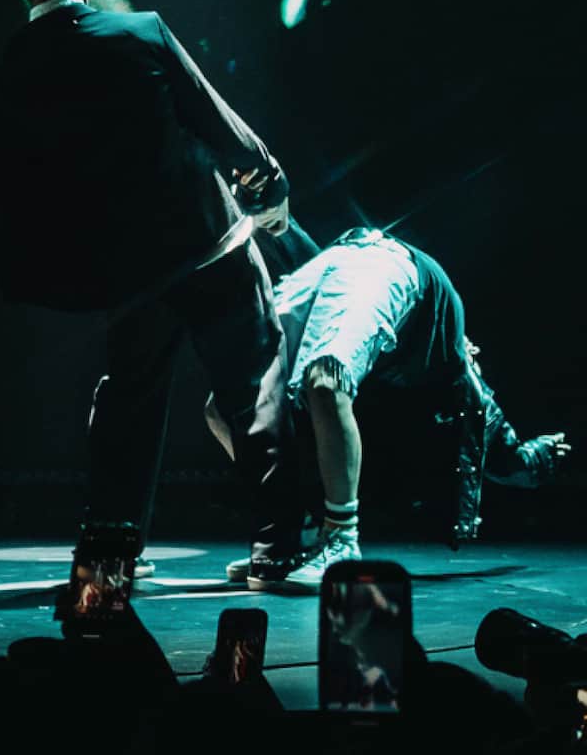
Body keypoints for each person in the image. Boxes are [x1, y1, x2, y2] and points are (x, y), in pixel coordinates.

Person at [0, 0, 300, 587]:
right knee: (252, 389)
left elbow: (16, 184)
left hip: (128, 271)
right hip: (210, 244)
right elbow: (210, 113)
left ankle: (109, 553)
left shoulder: (12, 65)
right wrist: (264, 172)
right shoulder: (140, 31)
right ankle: (277, 548)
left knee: (129, 405)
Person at [208, 224, 571, 588]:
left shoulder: (445, 354)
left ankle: (340, 541)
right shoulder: (389, 345)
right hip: (345, 251)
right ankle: (291, 532)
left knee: (325, 377)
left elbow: (482, 415)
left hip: (390, 264)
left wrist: (529, 460)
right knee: (225, 406)